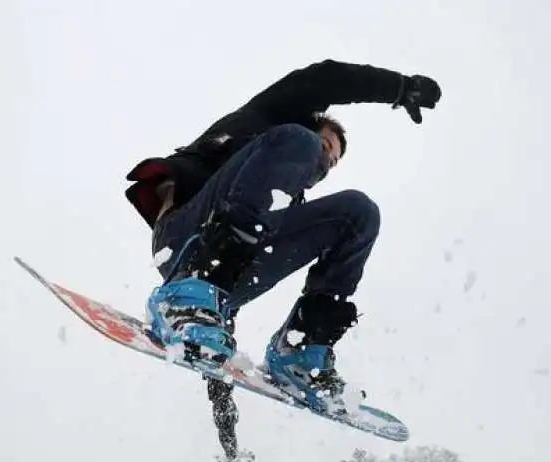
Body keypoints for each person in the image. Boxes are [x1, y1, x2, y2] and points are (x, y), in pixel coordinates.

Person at [125, 59, 441, 414]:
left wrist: (219, 379)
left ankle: (300, 353)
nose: (324, 164)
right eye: (326, 147)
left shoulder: (279, 200)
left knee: (359, 212)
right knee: (298, 143)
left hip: (230, 277)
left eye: (332, 163)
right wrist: (400, 88)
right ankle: (186, 292)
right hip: (184, 237)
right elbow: (326, 78)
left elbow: (216, 339)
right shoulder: (274, 118)